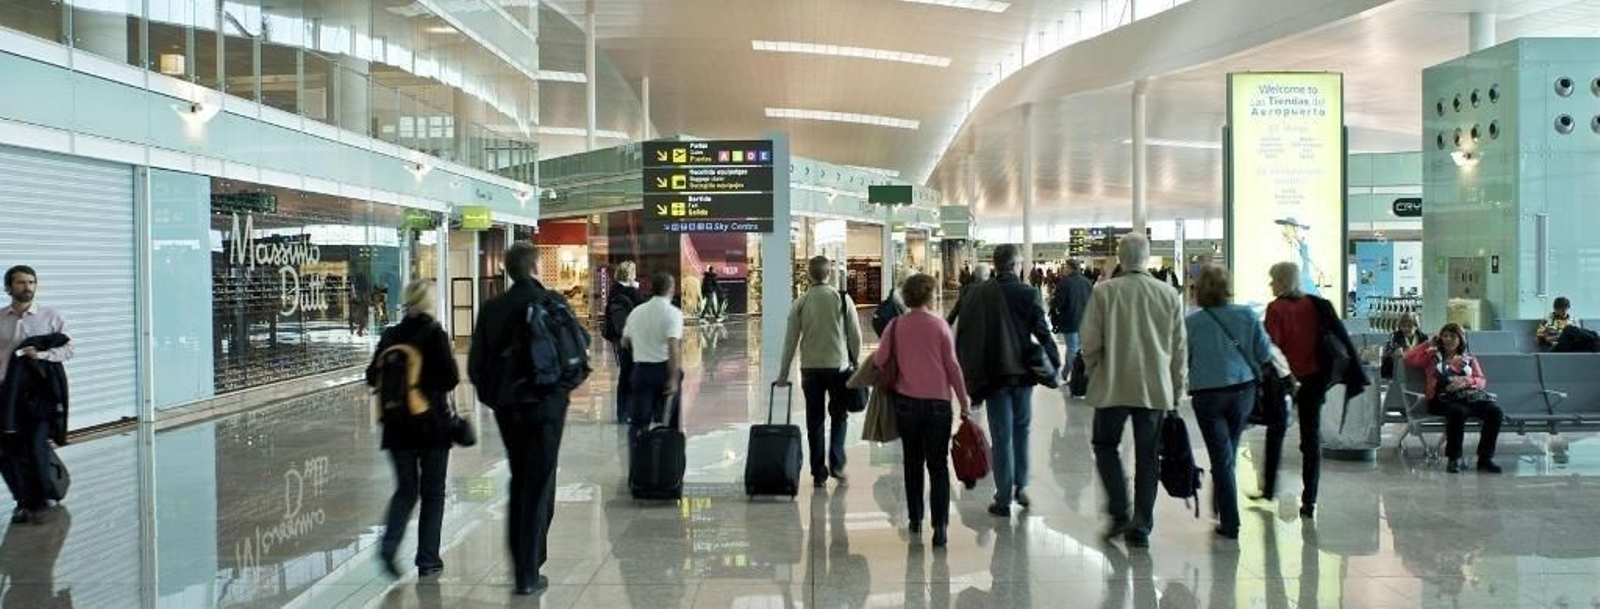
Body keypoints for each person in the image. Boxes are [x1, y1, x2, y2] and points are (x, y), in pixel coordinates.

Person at [467, 243, 577, 595]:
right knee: (539, 481)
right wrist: (559, 394)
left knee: (520, 480)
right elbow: (575, 356)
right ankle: (529, 571)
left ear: (508, 270)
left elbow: (475, 366)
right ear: (534, 267)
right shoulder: (552, 302)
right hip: (546, 407)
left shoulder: (492, 308)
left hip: (509, 407)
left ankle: (524, 563)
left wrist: (496, 399)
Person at [1080, 236, 1186, 548]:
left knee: (1105, 445)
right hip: (1154, 389)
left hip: (1112, 386)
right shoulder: (1168, 294)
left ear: (1119, 258)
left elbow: (1089, 341)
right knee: (1148, 456)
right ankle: (1141, 524)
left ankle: (1118, 511)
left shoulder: (1104, 292)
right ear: (1148, 257)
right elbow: (1179, 349)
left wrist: (1094, 369)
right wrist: (1177, 391)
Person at [1258, 262, 1367, 518]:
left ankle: (1269, 488)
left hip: (1288, 380)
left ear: (1283, 282)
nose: (1270, 284)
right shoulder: (1317, 305)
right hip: (1316, 380)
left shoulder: (1276, 309)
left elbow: (1272, 348)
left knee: (1276, 431)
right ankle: (1310, 499)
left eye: (1273, 280)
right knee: (1311, 439)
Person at [366, 280, 458, 578]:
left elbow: (371, 376)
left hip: (396, 428)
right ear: (430, 303)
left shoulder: (390, 335)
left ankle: (389, 546)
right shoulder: (435, 334)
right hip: (432, 427)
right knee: (433, 492)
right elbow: (450, 379)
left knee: (406, 489)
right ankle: (428, 559)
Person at [874, 274, 969, 547]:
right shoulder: (940, 326)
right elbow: (952, 367)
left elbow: (881, 359)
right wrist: (963, 402)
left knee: (912, 463)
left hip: (906, 404)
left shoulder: (895, 325)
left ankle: (915, 519)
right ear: (929, 296)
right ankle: (939, 526)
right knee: (938, 466)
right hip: (939, 405)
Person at [1184, 266, 1278, 540]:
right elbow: (1262, 353)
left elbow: (1183, 359)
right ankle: (1223, 504)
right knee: (1227, 454)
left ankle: (1230, 520)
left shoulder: (1192, 323)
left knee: (1222, 457)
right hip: (1242, 392)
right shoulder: (1247, 315)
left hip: (1207, 395)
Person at [966, 245, 1059, 518]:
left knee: (1002, 435)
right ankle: (1021, 487)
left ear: (995, 264)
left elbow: (970, 336)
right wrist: (1054, 362)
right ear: (1017, 264)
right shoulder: (1028, 293)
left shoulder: (981, 293)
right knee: (1022, 430)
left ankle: (1003, 496)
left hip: (994, 376)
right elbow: (1042, 332)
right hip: (1023, 376)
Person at [776, 256, 863, 488]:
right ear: (829, 275)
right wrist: (857, 362)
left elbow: (790, 341)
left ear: (808, 276)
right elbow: (855, 336)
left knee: (814, 420)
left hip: (810, 369)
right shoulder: (843, 299)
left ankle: (818, 472)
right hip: (839, 367)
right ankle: (836, 463)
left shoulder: (801, 302)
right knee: (839, 415)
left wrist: (783, 373)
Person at [0, 265, 72, 525]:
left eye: (31, 282)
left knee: (34, 445)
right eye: (21, 283)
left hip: (39, 394)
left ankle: (43, 500)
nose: (27, 287)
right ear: (9, 287)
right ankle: (23, 500)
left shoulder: (50, 316)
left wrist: (40, 355)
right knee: (7, 451)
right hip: (6, 394)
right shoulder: (0, 318)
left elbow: (68, 350)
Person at [1405, 324, 1504, 474]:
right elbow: (1408, 358)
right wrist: (1427, 343)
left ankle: (1485, 459)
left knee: (1495, 412)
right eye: (1445, 336)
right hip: (1441, 399)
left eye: (1452, 336)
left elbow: (1481, 380)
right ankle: (1454, 458)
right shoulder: (1431, 356)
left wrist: (1466, 381)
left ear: (1460, 339)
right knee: (1457, 412)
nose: (1448, 339)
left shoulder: (1468, 359)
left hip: (1468, 396)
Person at [620, 272, 684, 448]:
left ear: (651, 289)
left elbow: (625, 341)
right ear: (671, 289)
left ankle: (637, 463)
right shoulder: (673, 313)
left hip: (641, 371)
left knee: (639, 422)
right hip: (664, 370)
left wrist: (642, 347)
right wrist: (672, 378)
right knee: (670, 421)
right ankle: (669, 463)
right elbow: (673, 348)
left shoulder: (636, 312)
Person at [604, 262, 646, 424]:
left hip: (619, 338)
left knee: (625, 374)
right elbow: (644, 307)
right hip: (633, 339)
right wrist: (635, 289)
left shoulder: (613, 291)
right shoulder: (630, 291)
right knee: (633, 374)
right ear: (630, 274)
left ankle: (623, 412)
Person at [1049, 259, 1094, 373]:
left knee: (1072, 349)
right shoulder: (1087, 282)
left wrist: (1052, 303)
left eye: (1065, 267)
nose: (1064, 269)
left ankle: (1075, 376)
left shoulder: (1064, 282)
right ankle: (1065, 373)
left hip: (1070, 320)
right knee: (1076, 348)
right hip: (1085, 321)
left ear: (1070, 268)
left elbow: (1058, 303)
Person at [1383, 313, 1428, 380]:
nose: (1406, 329)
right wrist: (1394, 352)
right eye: (1403, 326)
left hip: (1419, 369)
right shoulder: (1394, 336)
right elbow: (1387, 352)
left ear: (1416, 326)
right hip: (1401, 370)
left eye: (1410, 326)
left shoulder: (1423, 337)